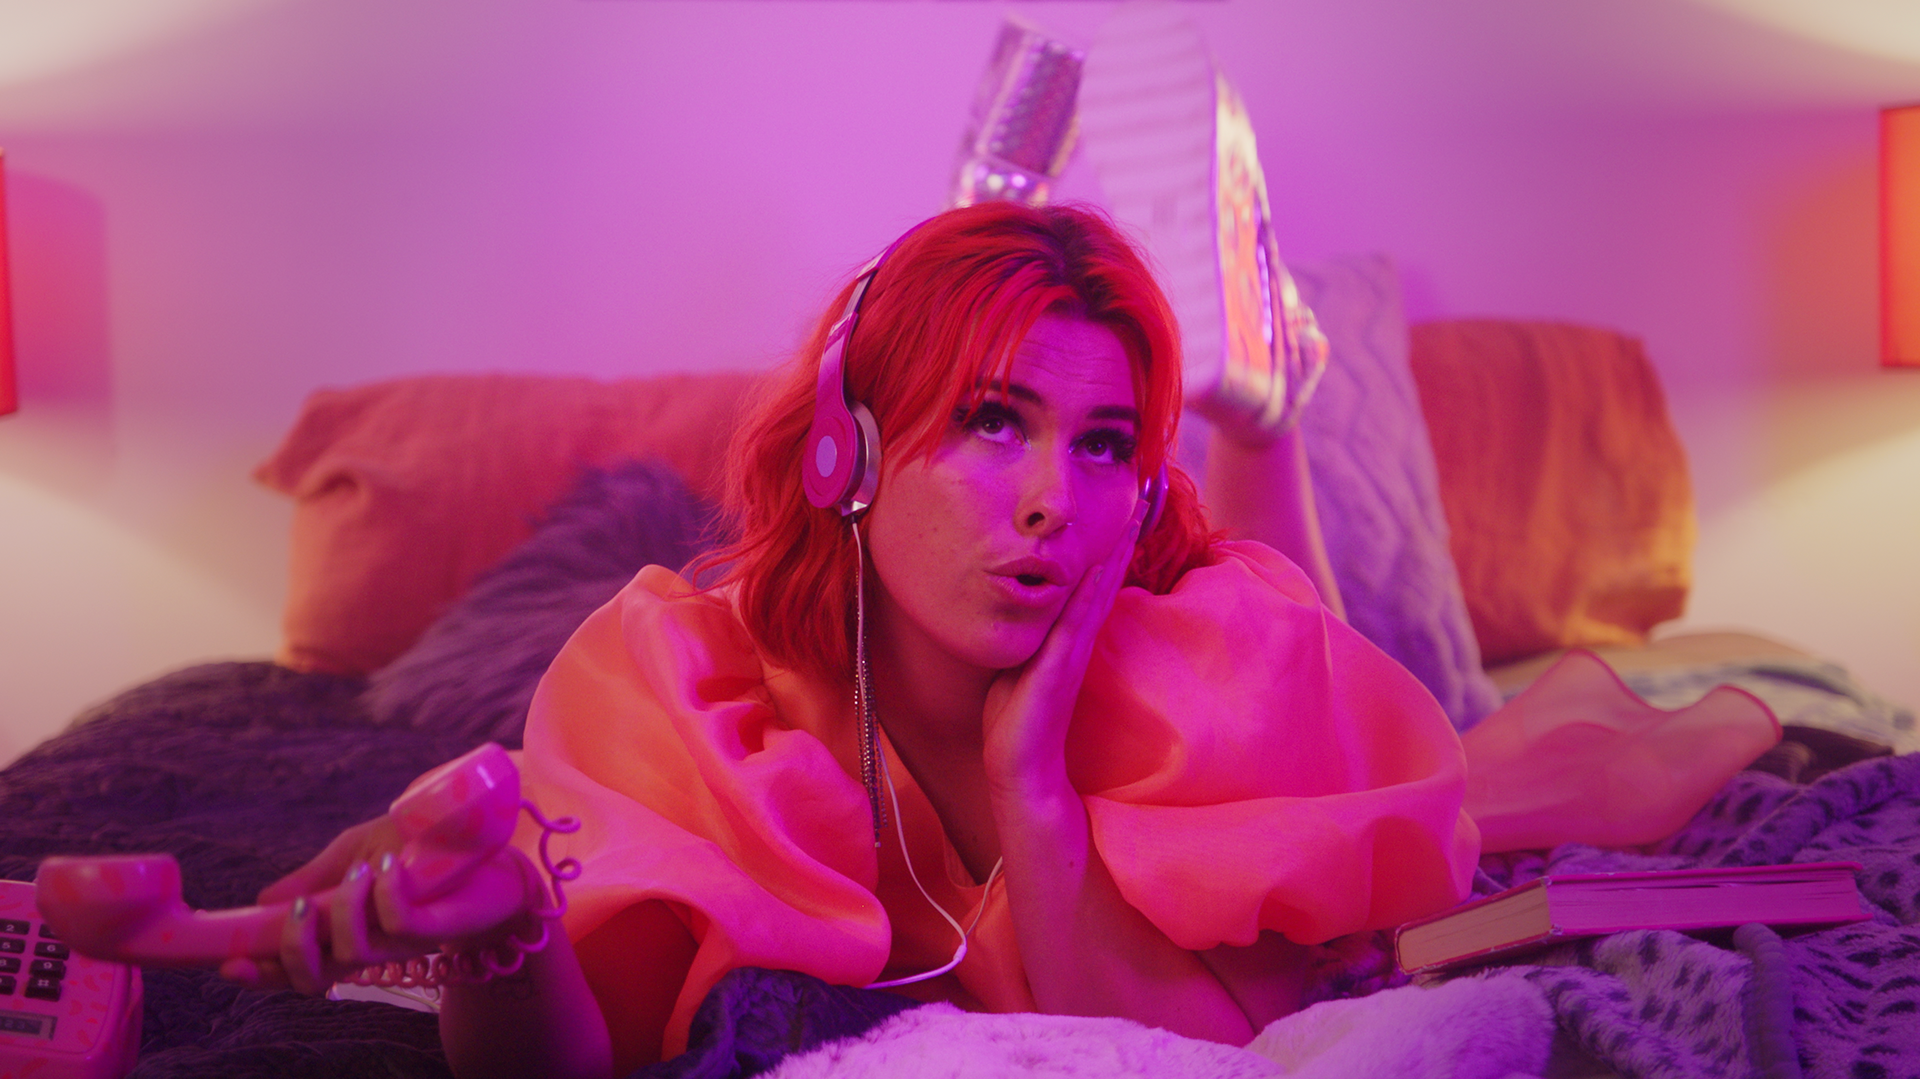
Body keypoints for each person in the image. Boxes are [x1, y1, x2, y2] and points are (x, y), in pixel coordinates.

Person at [228, 202, 1478, 1079]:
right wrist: (503, 932)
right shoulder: (683, 694)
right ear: (849, 452)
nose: (1055, 498)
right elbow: (574, 1060)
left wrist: (1033, 786)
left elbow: (1205, 1058)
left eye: (1103, 443)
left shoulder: (1202, 669)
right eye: (994, 421)